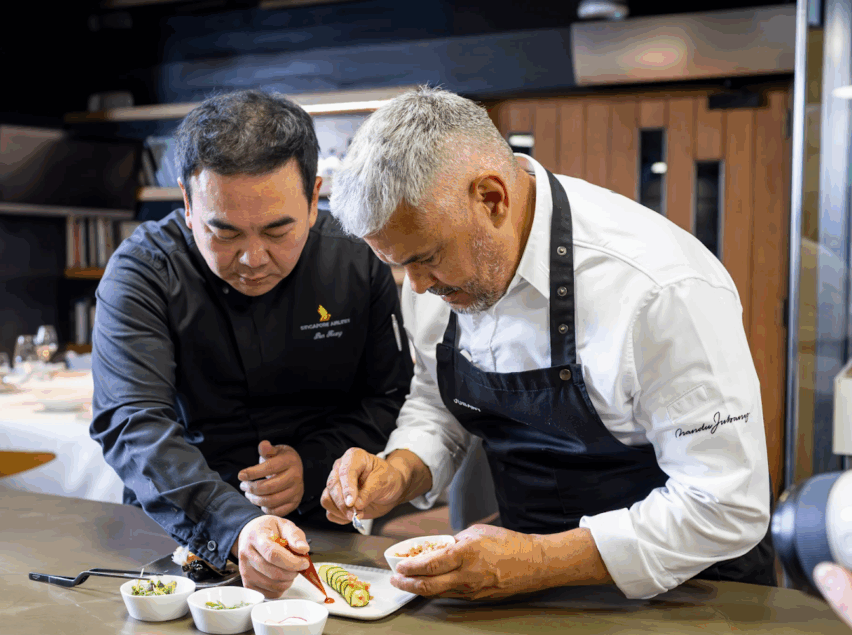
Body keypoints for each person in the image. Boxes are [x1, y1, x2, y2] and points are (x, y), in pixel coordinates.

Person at [322, 86, 775, 600]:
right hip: (519, 590)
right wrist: (400, 470)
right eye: (395, 264)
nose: (418, 286)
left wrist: (539, 561)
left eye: (424, 258)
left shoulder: (659, 290)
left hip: (691, 592)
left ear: (492, 198)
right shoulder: (431, 272)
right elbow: (437, 402)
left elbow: (724, 503)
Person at [90, 90, 413, 597]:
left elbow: (388, 395)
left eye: (277, 230)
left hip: (318, 525)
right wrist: (233, 523)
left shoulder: (355, 263)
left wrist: (310, 465)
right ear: (188, 204)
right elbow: (132, 422)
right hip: (180, 521)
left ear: (313, 200)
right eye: (225, 233)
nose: (252, 258)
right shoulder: (143, 272)